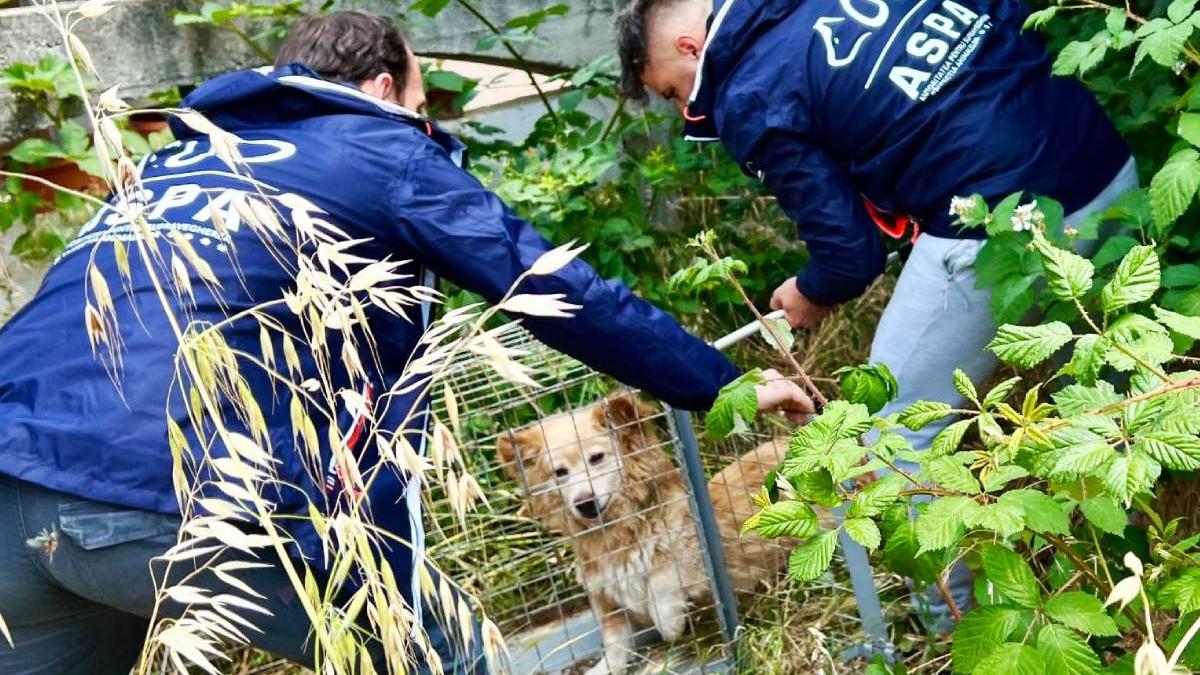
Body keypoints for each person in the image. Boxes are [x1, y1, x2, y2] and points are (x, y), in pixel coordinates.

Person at [0, 11, 814, 675]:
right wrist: (722, 384)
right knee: (455, 660)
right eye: (423, 108)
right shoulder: (375, 144)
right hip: (171, 494)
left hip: (12, 489)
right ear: (386, 90)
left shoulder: (171, 169)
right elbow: (559, 290)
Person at [615, 0, 1137, 629]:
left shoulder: (751, 89)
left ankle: (955, 629)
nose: (685, 111)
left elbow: (849, 253)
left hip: (992, 219)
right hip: (1101, 160)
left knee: (889, 430)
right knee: (1104, 382)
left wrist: (810, 292)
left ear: (691, 46)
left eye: (674, 91)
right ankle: (1135, 568)